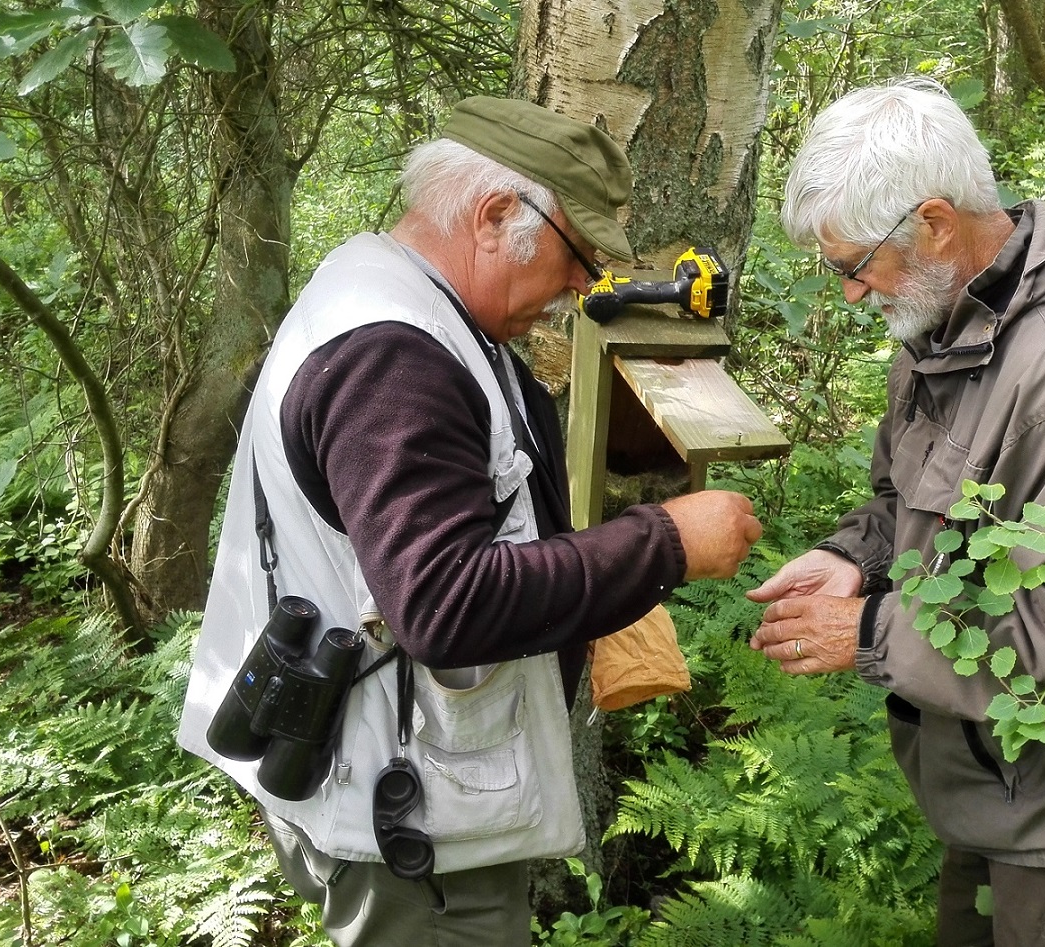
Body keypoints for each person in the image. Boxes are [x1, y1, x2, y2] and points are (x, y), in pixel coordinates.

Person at [177, 96, 761, 947]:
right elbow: (444, 606)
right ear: (494, 215)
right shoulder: (392, 357)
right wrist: (666, 542)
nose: (580, 287)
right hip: (412, 826)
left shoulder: (407, 296)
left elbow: (474, 485)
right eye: (576, 256)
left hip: (400, 780)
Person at [746, 79, 1045, 947]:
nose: (853, 294)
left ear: (933, 222)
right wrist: (855, 559)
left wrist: (865, 633)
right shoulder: (946, 332)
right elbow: (906, 501)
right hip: (993, 795)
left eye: (854, 266)